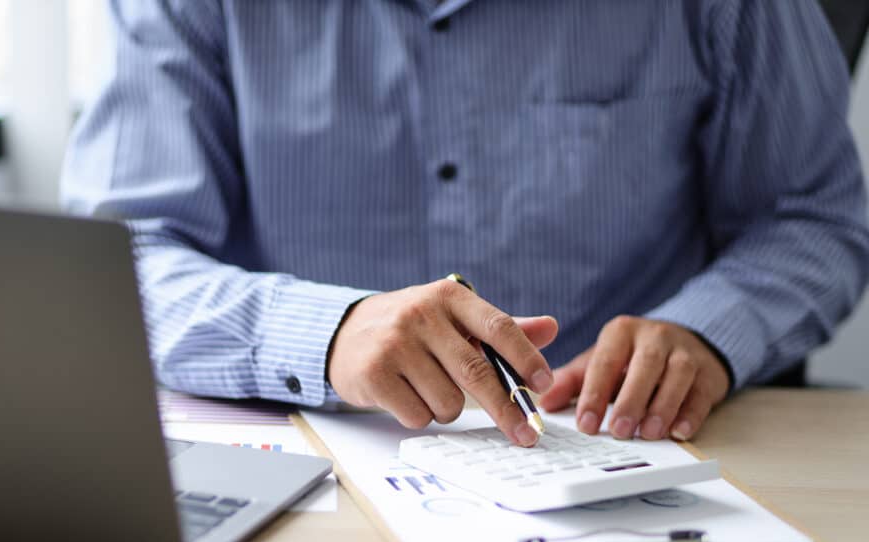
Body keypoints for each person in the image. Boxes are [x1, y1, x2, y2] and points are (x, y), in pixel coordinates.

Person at [62, 0, 869, 447]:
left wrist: (707, 334)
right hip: (306, 459)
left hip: (626, 457)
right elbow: (119, 261)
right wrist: (327, 334)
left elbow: (812, 216)